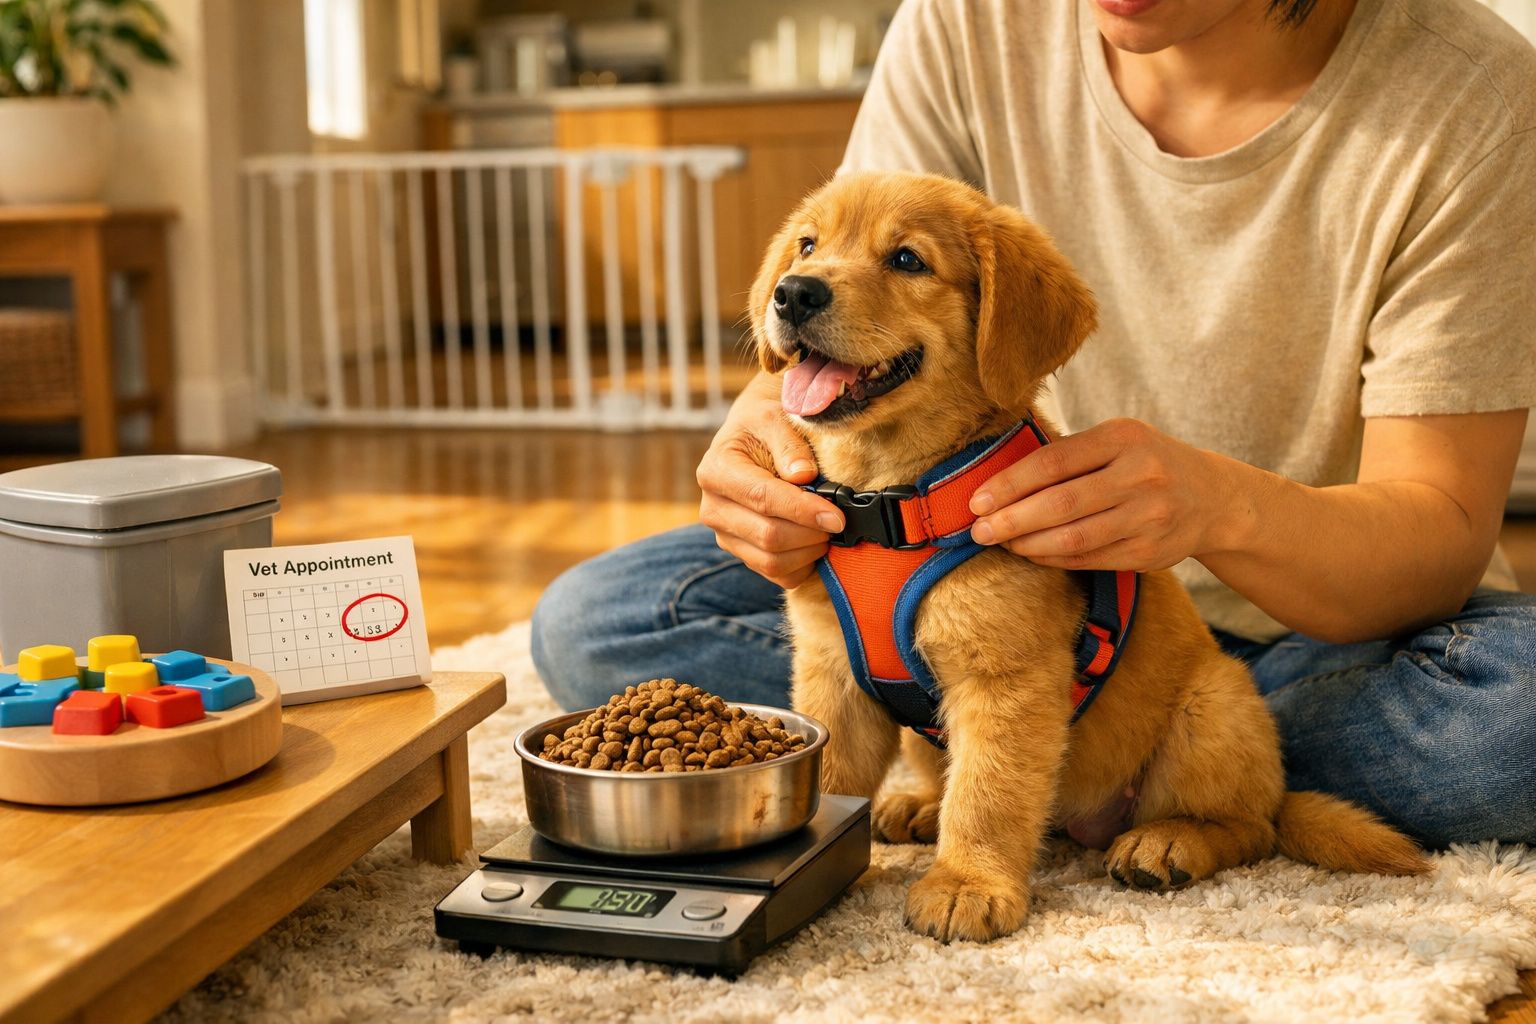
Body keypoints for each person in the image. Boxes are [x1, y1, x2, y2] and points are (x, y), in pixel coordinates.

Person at [533, 0, 1536, 848]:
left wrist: (1219, 508)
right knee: (600, 620)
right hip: (947, 568)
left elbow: (1441, 527)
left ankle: (1154, 761)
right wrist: (761, 459)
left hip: (1327, 634)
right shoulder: (965, 20)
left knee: (1515, 721)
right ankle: (1016, 742)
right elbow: (840, 300)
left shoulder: (1471, 92)